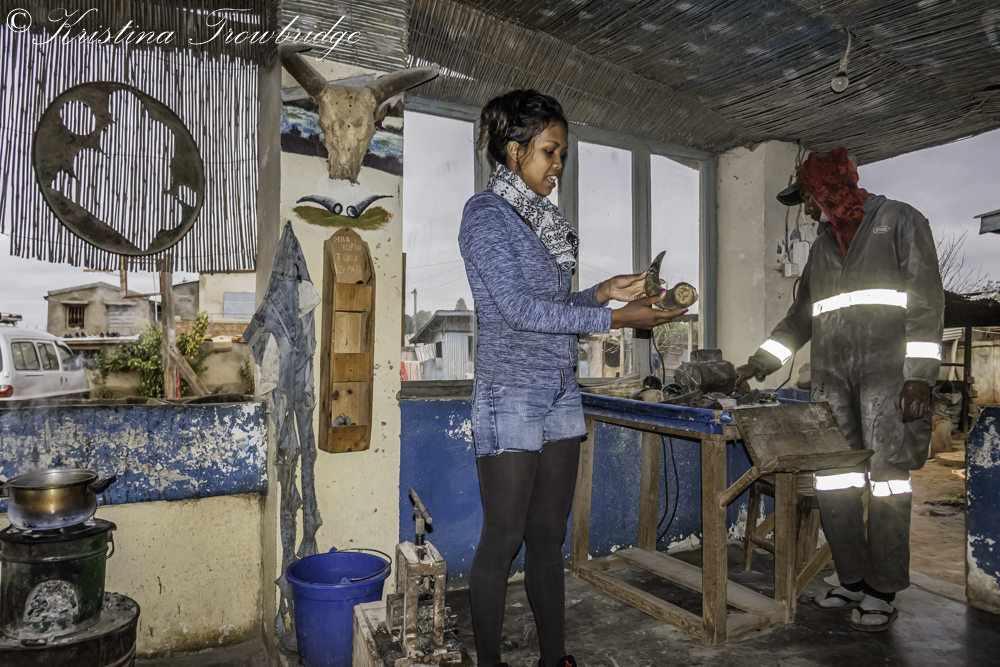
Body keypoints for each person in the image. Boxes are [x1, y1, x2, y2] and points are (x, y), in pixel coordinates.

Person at [458, 89, 685, 667]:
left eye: (562, 153)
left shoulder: (545, 223)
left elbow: (556, 309)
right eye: (549, 151)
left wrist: (603, 293)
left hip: (560, 391)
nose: (559, 164)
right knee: (503, 539)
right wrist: (616, 318)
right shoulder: (486, 215)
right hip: (510, 395)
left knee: (547, 537)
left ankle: (553, 657)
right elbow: (518, 310)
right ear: (514, 150)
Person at [735, 147, 944, 632]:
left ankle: (883, 589)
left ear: (830, 189)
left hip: (888, 378)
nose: (807, 208)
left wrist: (919, 375)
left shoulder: (900, 221)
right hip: (832, 380)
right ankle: (852, 579)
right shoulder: (821, 248)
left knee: (887, 481)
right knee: (835, 480)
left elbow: (926, 301)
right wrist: (761, 362)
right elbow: (801, 317)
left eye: (809, 196)